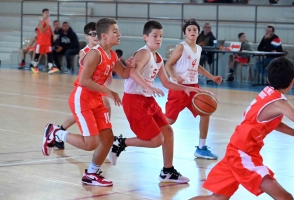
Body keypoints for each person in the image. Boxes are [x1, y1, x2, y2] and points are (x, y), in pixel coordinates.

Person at [42, 18, 135, 186]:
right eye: (115, 31)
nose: (119, 34)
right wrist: (109, 91)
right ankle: (55, 132)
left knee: (107, 139)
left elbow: (124, 74)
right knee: (90, 143)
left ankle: (91, 174)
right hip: (82, 99)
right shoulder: (94, 54)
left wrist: (132, 65)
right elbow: (84, 80)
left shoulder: (112, 55)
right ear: (104, 36)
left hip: (97, 99)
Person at [190, 57, 294, 200]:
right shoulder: (279, 103)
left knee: (216, 199)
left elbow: (274, 123)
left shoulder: (268, 93)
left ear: (269, 79)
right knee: (285, 198)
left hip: (236, 149)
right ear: (292, 81)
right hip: (243, 154)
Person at [108, 20, 202, 183]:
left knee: (168, 132)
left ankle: (167, 170)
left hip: (147, 100)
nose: (158, 39)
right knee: (156, 140)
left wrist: (184, 88)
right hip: (134, 100)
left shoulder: (158, 57)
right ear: (145, 37)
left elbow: (165, 82)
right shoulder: (143, 53)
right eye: (155, 36)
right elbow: (133, 73)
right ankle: (120, 142)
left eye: (161, 36)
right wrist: (149, 87)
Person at [165, 19, 222, 160]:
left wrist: (212, 77)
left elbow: (197, 66)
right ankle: (148, 131)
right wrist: (175, 76)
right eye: (189, 30)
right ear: (185, 33)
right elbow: (169, 65)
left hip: (194, 87)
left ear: (198, 33)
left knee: (205, 112)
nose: (192, 32)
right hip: (179, 89)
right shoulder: (181, 47)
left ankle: (201, 148)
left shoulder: (199, 48)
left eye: (194, 30)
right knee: (169, 120)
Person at [53, 22, 113, 149]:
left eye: (97, 33)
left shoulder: (102, 51)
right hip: (87, 88)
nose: (96, 36)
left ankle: (60, 130)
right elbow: (89, 72)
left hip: (96, 88)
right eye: (92, 34)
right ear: (86, 36)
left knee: (101, 109)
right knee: (101, 107)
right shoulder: (85, 52)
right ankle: (59, 132)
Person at [31, 8, 56, 74]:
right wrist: (47, 25)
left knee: (49, 54)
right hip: (41, 41)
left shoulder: (48, 21)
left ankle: (51, 67)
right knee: (38, 54)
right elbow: (41, 31)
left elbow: (50, 28)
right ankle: (35, 66)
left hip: (47, 42)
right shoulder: (41, 22)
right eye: (46, 13)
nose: (47, 14)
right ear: (43, 14)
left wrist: (54, 35)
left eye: (48, 13)